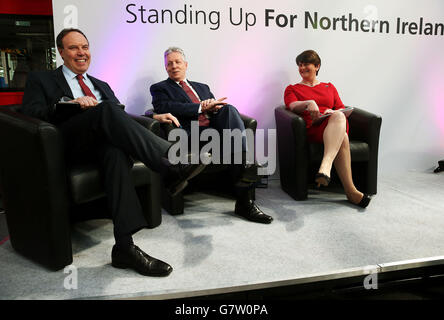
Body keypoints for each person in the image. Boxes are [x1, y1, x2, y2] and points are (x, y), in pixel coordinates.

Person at [21, 28, 208, 277]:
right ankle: (171, 163)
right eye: (74, 47)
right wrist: (67, 105)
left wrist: (150, 115)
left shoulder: (101, 84)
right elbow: (31, 114)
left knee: (114, 151)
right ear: (61, 52)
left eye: (85, 47)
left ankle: (124, 248)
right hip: (65, 143)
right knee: (106, 109)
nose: (82, 52)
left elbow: (120, 118)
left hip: (100, 144)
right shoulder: (41, 80)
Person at [150, 47, 273, 224]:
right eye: (169, 64)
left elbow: (216, 110)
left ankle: (245, 184)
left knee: (228, 109)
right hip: (191, 135)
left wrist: (214, 106)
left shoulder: (202, 87)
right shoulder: (160, 88)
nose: (174, 66)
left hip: (217, 132)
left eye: (177, 62)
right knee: (239, 149)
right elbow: (165, 107)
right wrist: (201, 107)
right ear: (166, 68)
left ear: (185, 65)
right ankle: (246, 193)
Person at [284, 50, 371, 208]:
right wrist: (308, 102)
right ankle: (349, 189)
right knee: (342, 134)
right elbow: (292, 106)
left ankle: (328, 169)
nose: (302, 68)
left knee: (339, 118)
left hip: (332, 126)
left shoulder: (329, 87)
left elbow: (343, 109)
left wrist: (333, 112)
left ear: (317, 66)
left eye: (306, 64)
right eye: (300, 65)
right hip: (312, 128)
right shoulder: (292, 89)